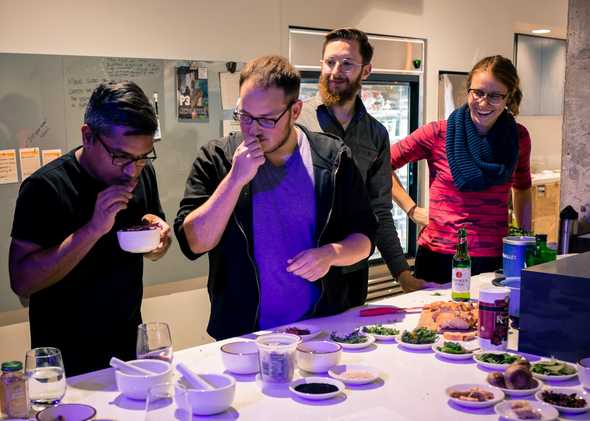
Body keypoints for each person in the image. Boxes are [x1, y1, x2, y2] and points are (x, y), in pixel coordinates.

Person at [174, 55, 377, 340]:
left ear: (294, 111)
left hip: (319, 329)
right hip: (242, 334)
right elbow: (194, 243)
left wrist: (330, 255)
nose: (252, 129)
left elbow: (365, 238)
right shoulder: (216, 158)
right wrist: (234, 179)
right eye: (244, 116)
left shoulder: (332, 158)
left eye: (267, 120)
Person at [9, 81, 171, 376]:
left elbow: (154, 249)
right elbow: (22, 281)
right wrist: (93, 229)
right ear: (88, 136)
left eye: (143, 157)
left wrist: (159, 242)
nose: (131, 170)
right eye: (121, 156)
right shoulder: (45, 188)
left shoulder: (142, 174)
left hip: (129, 348)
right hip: (64, 360)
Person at [298, 28, 424, 294]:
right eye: (329, 62)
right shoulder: (296, 121)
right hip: (300, 267)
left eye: (346, 64)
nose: (335, 71)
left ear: (365, 71)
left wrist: (402, 274)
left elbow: (378, 210)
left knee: (351, 336)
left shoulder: (375, 134)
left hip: (353, 272)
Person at [391, 55, 532, 283]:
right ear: (468, 92)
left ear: (509, 98)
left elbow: (523, 188)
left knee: (490, 318)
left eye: (495, 95)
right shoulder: (437, 133)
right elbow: (381, 164)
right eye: (478, 92)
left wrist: (526, 241)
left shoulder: (518, 137)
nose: (484, 103)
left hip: (494, 257)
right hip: (439, 257)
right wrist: (412, 210)